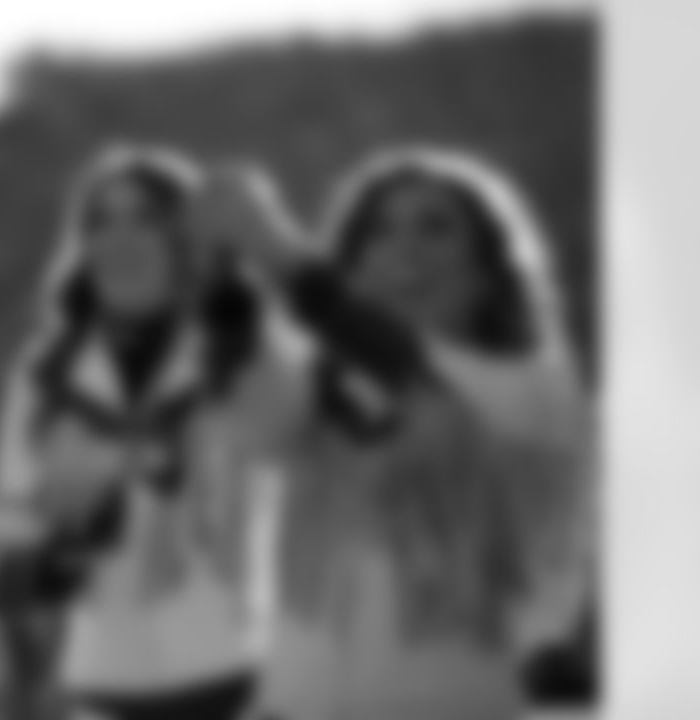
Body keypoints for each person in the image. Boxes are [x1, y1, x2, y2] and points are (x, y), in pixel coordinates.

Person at [198, 149, 595, 720]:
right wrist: (225, 295)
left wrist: (275, 250)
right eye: (379, 231)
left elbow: (418, 377)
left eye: (436, 227)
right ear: (354, 268)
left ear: (490, 274)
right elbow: (258, 424)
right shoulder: (323, 386)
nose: (405, 247)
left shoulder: (535, 395)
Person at [0, 145, 300, 720]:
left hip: (247, 673)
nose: (117, 240)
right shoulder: (46, 371)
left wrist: (141, 459)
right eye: (99, 222)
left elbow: (285, 439)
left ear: (189, 240)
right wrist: (61, 548)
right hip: (100, 682)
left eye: (145, 219)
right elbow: (10, 535)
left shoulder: (246, 348)